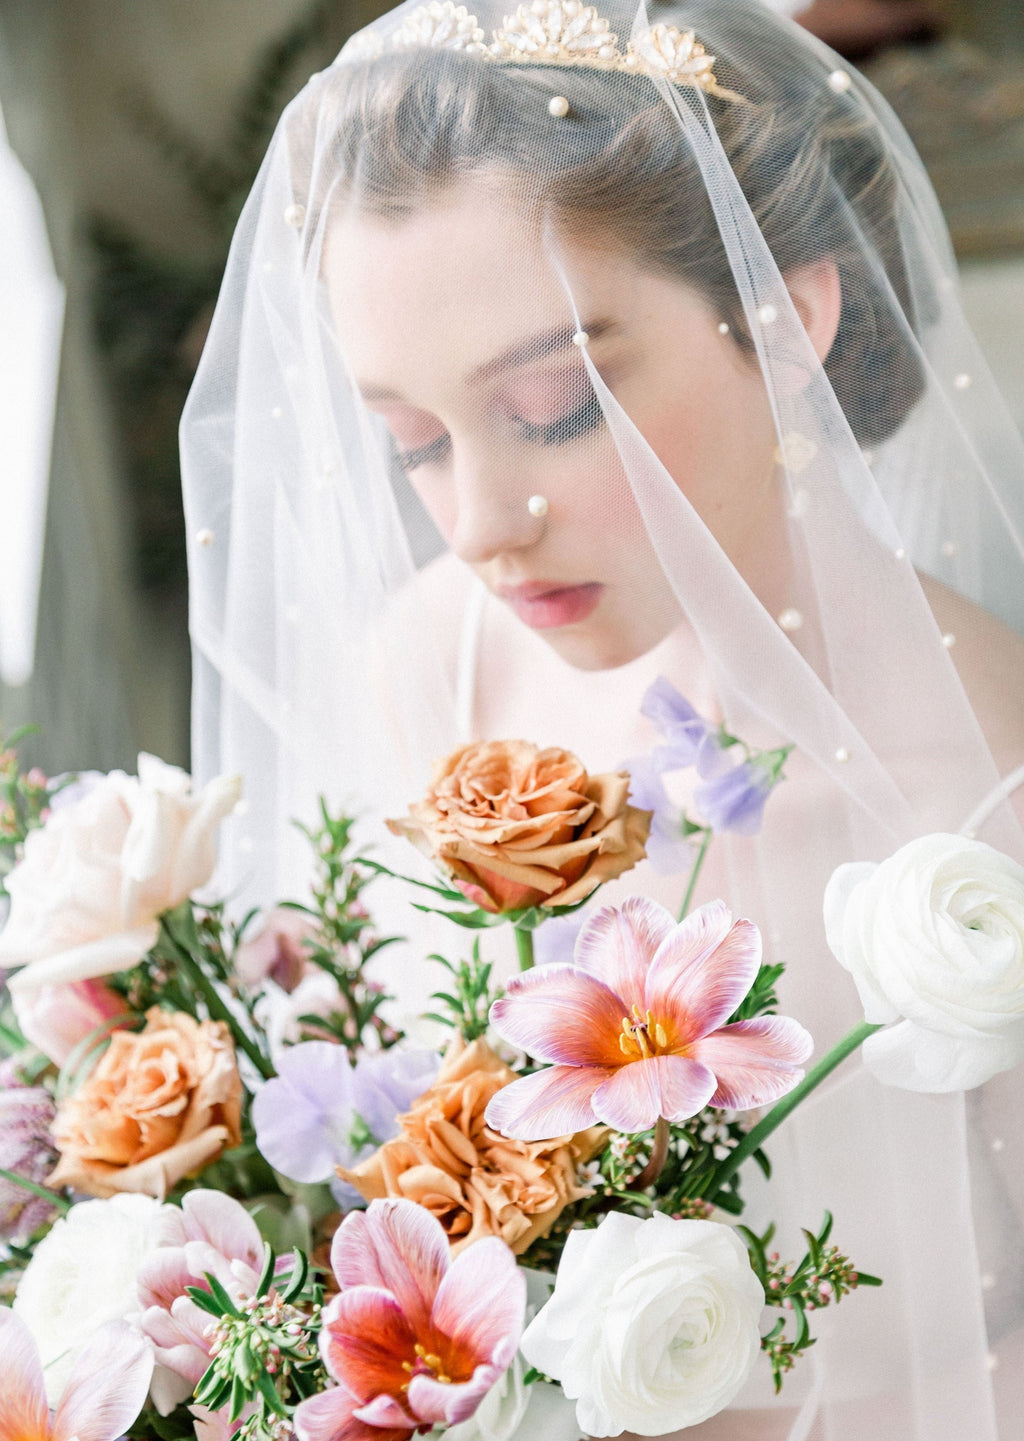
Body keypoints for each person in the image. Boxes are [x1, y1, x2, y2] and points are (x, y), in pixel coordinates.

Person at [180, 0, 1024, 1434]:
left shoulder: (988, 778)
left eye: (557, 406)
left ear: (786, 318)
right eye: (412, 442)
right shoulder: (430, 662)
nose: (479, 526)